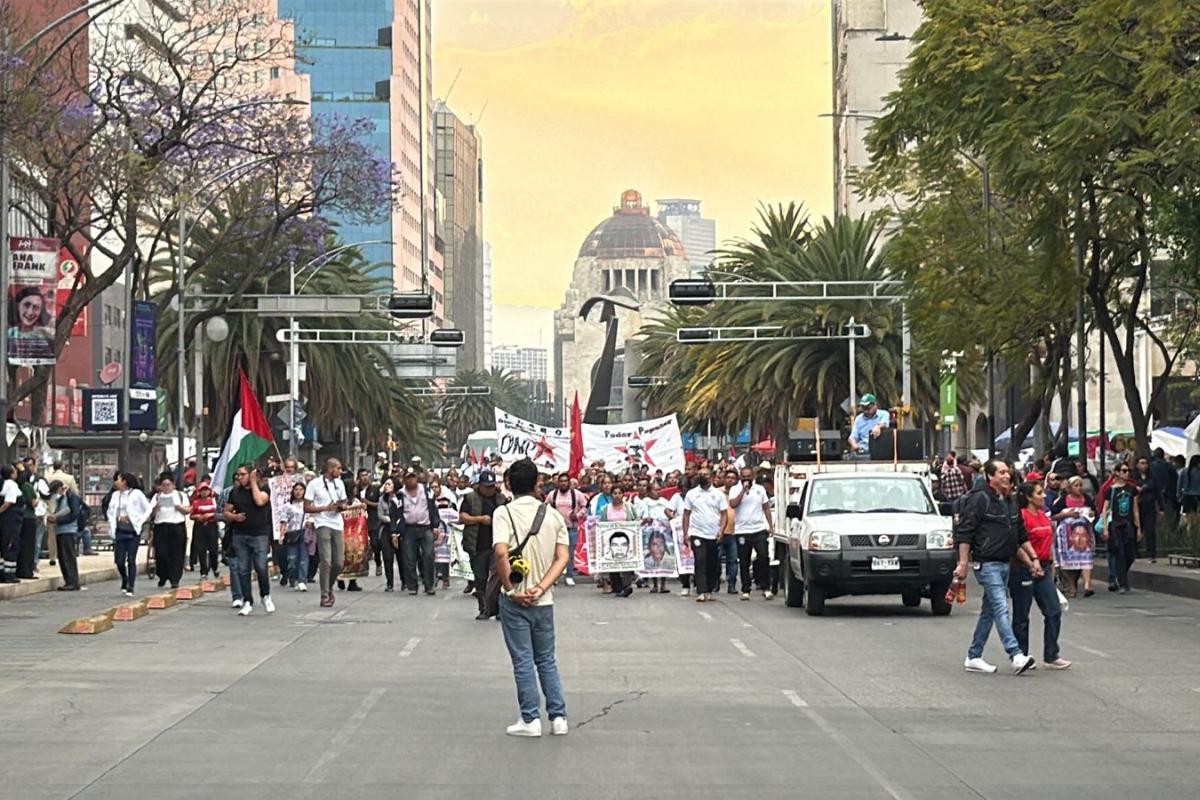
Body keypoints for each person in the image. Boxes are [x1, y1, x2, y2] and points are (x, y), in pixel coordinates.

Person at [493, 458, 571, 738]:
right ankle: (558, 716)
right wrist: (540, 588)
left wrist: (512, 590)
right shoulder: (553, 515)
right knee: (546, 659)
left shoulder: (504, 513)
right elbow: (562, 558)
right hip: (544, 600)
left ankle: (530, 719)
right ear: (538, 482)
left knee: (523, 659)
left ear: (509, 484)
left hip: (514, 600)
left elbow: (501, 553)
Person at [952, 459, 1038, 675]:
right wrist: (963, 562)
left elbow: (1020, 535)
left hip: (1004, 562)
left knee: (989, 611)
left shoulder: (1010, 501)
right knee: (1000, 606)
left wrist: (1032, 559)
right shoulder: (979, 499)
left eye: (1007, 472)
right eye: (1001, 472)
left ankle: (974, 655)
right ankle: (1015, 654)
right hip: (987, 563)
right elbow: (965, 532)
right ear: (990, 476)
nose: (1006, 476)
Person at [1011, 481, 1071, 670]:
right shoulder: (1022, 517)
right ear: (1029, 497)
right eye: (1039, 493)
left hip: (1044, 567)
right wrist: (1030, 562)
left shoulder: (1044, 517)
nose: (1044, 496)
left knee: (1054, 610)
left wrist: (1051, 566)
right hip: (1023, 568)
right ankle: (1021, 655)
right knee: (1022, 616)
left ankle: (1051, 655)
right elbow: (1018, 544)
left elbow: (1048, 543)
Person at [224, 464, 274, 616]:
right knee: (243, 569)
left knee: (260, 567)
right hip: (240, 534)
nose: (239, 477)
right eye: (237, 474)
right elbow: (226, 511)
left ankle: (265, 595)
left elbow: (259, 501)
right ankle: (247, 601)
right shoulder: (235, 492)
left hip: (259, 534)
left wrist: (253, 483)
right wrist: (234, 517)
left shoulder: (264, 489)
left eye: (243, 474)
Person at [460, 469, 507, 619]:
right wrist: (479, 519)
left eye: (492, 486)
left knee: (498, 577)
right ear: (480, 485)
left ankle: (498, 609)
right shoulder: (470, 498)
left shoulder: (501, 499)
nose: (490, 489)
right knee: (480, 578)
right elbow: (463, 517)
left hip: (497, 544)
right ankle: (484, 608)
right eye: (487, 486)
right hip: (477, 544)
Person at [305, 458, 348, 608]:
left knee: (338, 562)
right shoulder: (314, 484)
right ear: (330, 469)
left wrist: (342, 506)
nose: (340, 471)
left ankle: (329, 586)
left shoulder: (339, 483)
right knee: (326, 560)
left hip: (337, 523)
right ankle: (324, 593)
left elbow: (344, 501)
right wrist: (325, 508)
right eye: (338, 468)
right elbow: (306, 507)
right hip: (322, 522)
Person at [682, 466, 729, 603]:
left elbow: (724, 513)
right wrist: (686, 533)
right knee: (700, 560)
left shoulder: (718, 494)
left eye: (706, 474)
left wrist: (721, 530)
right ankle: (701, 591)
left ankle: (709, 589)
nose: (703, 476)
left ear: (712, 477)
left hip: (713, 533)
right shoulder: (691, 494)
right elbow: (686, 514)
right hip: (697, 533)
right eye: (700, 474)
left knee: (712, 563)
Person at [729, 466, 774, 601]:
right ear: (740, 477)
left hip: (758, 529)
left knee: (763, 557)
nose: (747, 479)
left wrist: (770, 526)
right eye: (744, 477)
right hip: (742, 530)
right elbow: (733, 504)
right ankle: (745, 588)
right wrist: (743, 490)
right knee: (744, 560)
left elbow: (766, 508)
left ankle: (765, 586)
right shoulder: (735, 489)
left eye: (749, 476)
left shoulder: (760, 490)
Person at [397, 467, 441, 596]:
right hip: (409, 528)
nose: (411, 480)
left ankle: (429, 585)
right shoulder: (399, 495)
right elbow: (396, 514)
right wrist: (395, 531)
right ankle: (412, 585)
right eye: (408, 478)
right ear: (404, 479)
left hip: (425, 527)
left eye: (413, 477)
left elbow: (433, 509)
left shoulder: (427, 492)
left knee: (428, 555)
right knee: (409, 558)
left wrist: (435, 525)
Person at [106, 472, 151, 597]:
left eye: (118, 479)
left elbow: (147, 509)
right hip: (119, 529)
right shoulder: (115, 495)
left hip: (133, 530)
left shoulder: (136, 494)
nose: (116, 482)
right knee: (119, 560)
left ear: (125, 481)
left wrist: (138, 520)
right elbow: (110, 511)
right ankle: (124, 578)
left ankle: (131, 585)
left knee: (131, 559)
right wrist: (116, 519)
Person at [1050, 476, 1094, 597]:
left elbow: (1094, 511)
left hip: (1084, 533)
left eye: (1080, 485)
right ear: (1069, 488)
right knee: (1067, 561)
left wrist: (1090, 513)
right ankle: (1071, 586)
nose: (1079, 488)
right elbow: (1053, 516)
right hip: (1067, 535)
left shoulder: (1087, 499)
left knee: (1086, 559)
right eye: (1076, 485)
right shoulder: (1063, 501)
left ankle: (1087, 586)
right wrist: (1068, 514)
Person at [1102, 463, 1140, 594]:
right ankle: (1123, 582)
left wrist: (1138, 527)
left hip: (1129, 524)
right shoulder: (1111, 490)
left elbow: (1135, 508)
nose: (1126, 473)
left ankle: (1120, 576)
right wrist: (1105, 528)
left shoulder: (1132, 489)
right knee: (1120, 554)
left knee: (1130, 554)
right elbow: (1105, 509)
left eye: (1128, 470)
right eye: (1123, 471)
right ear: (1117, 472)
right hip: (1116, 525)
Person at [149, 472, 190, 589]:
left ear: (173, 485)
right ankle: (163, 575)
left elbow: (188, 509)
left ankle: (175, 578)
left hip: (176, 526)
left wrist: (179, 507)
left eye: (168, 485)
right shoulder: (156, 497)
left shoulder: (181, 495)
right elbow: (150, 513)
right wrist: (156, 508)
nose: (166, 487)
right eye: (164, 485)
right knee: (161, 554)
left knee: (177, 554)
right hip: (161, 526)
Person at [546, 472, 587, 587]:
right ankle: (554, 577)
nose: (563, 483)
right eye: (561, 481)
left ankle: (569, 576)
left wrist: (578, 515)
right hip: (555, 529)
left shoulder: (577, 494)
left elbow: (585, 506)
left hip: (571, 528)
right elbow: (545, 507)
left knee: (569, 553)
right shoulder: (552, 495)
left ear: (569, 482)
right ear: (557, 483)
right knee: (554, 554)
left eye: (565, 481)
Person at [599, 489, 635, 598]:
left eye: (620, 493)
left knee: (627, 560)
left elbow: (636, 519)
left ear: (623, 495)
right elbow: (601, 523)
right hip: (612, 539)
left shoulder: (629, 507)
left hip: (625, 539)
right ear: (611, 495)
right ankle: (617, 587)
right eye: (615, 493)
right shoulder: (605, 509)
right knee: (613, 562)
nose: (617, 496)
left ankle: (627, 585)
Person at [49, 480, 83, 590]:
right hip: (60, 530)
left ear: (60, 488)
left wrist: (58, 519)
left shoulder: (71, 497)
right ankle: (68, 580)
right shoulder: (61, 499)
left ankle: (73, 582)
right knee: (62, 557)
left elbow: (74, 514)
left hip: (69, 530)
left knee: (68, 556)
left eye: (56, 491)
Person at [7, 285, 55, 361]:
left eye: (36, 307)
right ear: (18, 305)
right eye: (26, 305)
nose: (30, 312)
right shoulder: (9, 333)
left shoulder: (44, 337)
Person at [278, 481, 309, 592]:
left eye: (300, 490)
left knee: (304, 558)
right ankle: (293, 576)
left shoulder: (308, 504)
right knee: (292, 559)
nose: (298, 492)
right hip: (292, 534)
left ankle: (302, 580)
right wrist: (281, 535)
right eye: (296, 490)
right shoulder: (288, 506)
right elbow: (283, 521)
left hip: (305, 532)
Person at [1132, 454, 1162, 562]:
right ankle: (1134, 552)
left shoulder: (1152, 477)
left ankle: (1151, 554)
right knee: (1137, 529)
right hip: (1137, 506)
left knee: (1150, 531)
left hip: (1149, 507)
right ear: (1137, 465)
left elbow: (1157, 492)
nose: (1144, 466)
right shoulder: (1133, 477)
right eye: (1141, 463)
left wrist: (1161, 507)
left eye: (1146, 463)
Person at [189, 481, 220, 579]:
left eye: (206, 490)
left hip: (211, 525)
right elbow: (191, 515)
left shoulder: (214, 501)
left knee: (213, 549)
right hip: (200, 526)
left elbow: (219, 513)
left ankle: (214, 567)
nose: (204, 493)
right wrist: (197, 516)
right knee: (201, 549)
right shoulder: (196, 503)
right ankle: (203, 571)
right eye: (202, 491)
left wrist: (211, 515)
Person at [1179, 455, 1200, 522]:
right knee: (1197, 517)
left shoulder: (1184, 471)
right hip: (1198, 496)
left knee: (1188, 517)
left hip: (1187, 496)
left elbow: (1179, 485)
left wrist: (1179, 496)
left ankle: (1188, 531)